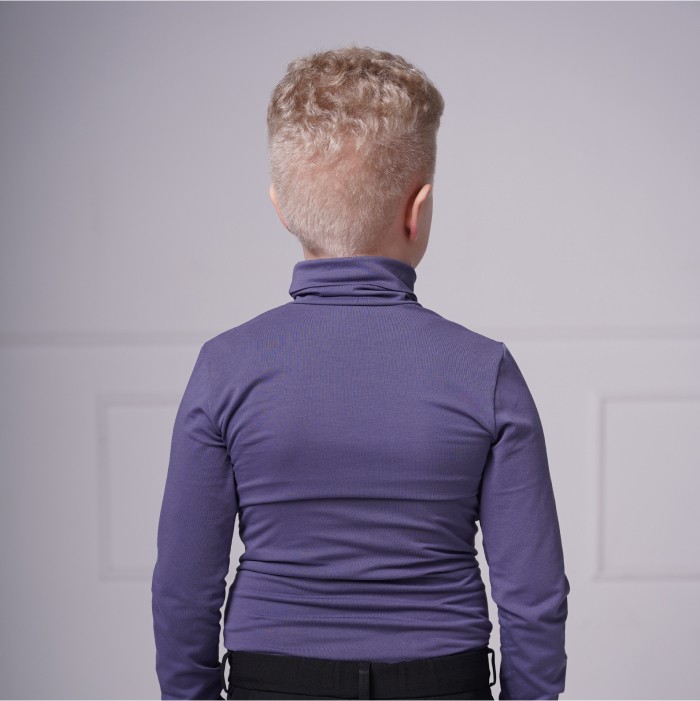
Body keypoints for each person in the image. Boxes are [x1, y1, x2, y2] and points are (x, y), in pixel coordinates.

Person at [151, 45, 570, 701]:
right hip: (441, 684)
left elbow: (184, 584)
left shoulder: (226, 368)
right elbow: (534, 592)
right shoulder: (484, 371)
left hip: (274, 683)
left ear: (281, 207)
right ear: (417, 209)